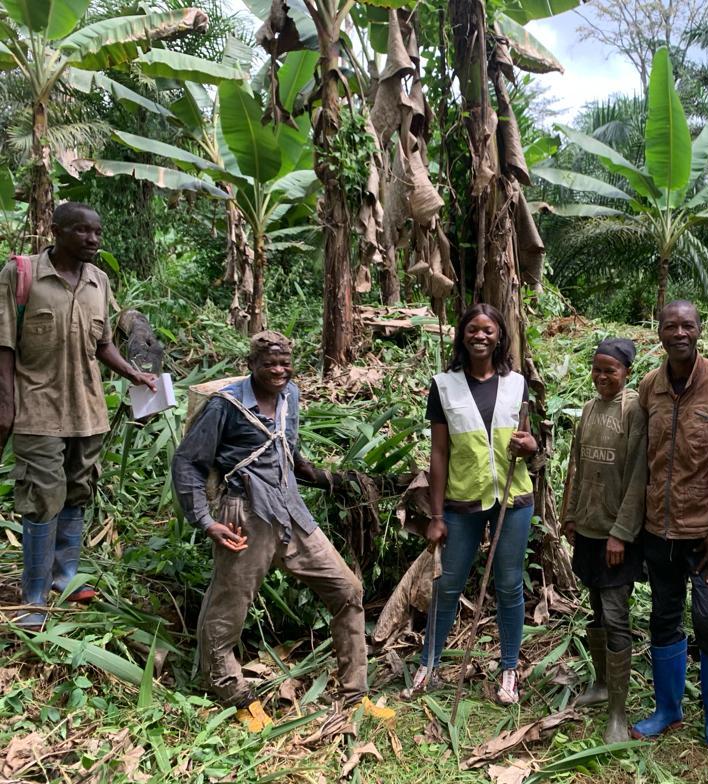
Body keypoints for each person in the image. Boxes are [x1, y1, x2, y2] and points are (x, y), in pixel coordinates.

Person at [172, 331, 367, 732]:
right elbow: (188, 463)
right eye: (269, 364)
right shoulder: (225, 406)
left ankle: (354, 694)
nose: (278, 370)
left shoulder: (290, 396)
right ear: (251, 366)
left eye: (284, 363)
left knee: (347, 590)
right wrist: (208, 522)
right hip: (243, 513)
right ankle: (233, 694)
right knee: (229, 607)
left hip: (290, 510)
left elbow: (287, 452)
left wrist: (328, 478)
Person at [0, 202, 157, 630]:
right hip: (36, 407)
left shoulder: (98, 281)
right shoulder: (21, 275)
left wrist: (134, 373)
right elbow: (5, 345)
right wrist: (6, 403)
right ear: (56, 231)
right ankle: (33, 596)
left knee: (77, 490)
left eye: (98, 233)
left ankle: (64, 579)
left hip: (87, 410)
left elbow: (103, 343)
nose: (93, 240)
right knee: (41, 497)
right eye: (83, 232)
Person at [631, 300, 708, 755]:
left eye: (687, 325)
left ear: (700, 330)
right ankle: (668, 708)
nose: (679, 332)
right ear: (658, 331)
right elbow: (642, 461)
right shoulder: (650, 388)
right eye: (670, 326)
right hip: (658, 531)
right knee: (663, 617)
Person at [412, 303, 538, 705]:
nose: (480, 336)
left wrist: (530, 446)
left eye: (488, 330)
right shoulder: (444, 385)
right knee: (447, 584)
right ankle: (429, 663)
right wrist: (435, 515)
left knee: (508, 585)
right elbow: (438, 454)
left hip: (512, 500)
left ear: (500, 335)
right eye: (473, 329)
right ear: (462, 335)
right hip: (462, 501)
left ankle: (509, 670)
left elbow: (530, 442)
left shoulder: (518, 383)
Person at [562, 338, 647, 743]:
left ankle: (618, 711)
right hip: (589, 529)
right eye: (597, 369)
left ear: (626, 372)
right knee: (596, 610)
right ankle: (599, 684)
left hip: (618, 535)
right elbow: (576, 464)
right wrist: (571, 513)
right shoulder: (589, 409)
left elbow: (637, 479)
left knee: (616, 617)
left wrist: (621, 533)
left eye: (610, 370)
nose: (602, 377)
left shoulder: (633, 411)